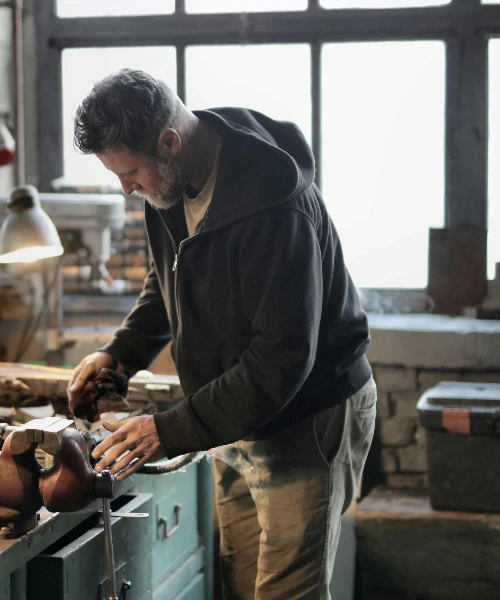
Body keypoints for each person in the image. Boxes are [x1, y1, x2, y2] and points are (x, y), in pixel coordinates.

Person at [66, 69, 376, 600]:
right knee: (239, 584)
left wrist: (165, 429)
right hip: (230, 416)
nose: (126, 187)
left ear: (169, 141)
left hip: (306, 418)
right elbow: (171, 280)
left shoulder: (276, 208)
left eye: (132, 171)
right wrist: (120, 353)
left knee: (286, 595)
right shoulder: (169, 181)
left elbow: (281, 360)